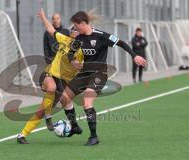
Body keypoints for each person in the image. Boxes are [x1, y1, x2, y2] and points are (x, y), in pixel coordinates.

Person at [59, 11, 147, 146]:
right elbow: (71, 53)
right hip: (84, 73)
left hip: (99, 74)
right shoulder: (79, 38)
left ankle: (93, 137)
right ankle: (74, 127)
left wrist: (134, 55)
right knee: (64, 98)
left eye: (76, 25)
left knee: (87, 102)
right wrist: (73, 61)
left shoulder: (101, 36)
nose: (75, 28)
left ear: (83, 23)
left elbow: (122, 43)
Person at [16, 9, 84, 144]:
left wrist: (80, 66)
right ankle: (48, 117)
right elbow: (50, 30)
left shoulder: (82, 51)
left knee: (42, 109)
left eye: (77, 31)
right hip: (49, 74)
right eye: (73, 30)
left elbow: (86, 64)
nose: (74, 32)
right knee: (51, 88)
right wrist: (42, 17)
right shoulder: (64, 40)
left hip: (63, 82)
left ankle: (22, 135)